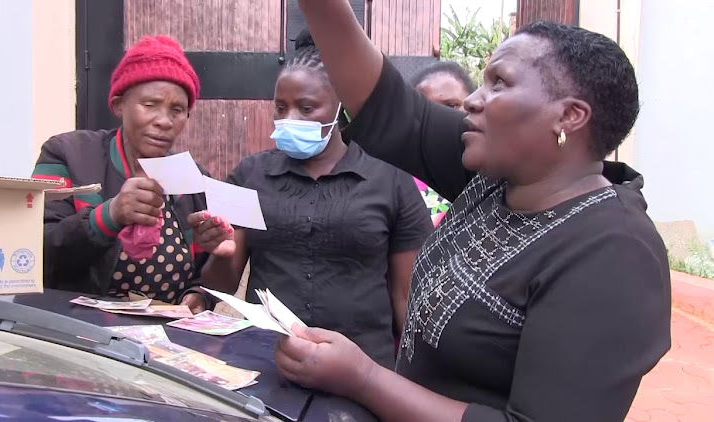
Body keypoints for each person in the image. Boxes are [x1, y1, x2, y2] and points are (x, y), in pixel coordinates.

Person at [272, 3, 672, 422]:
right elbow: (387, 107)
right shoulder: (496, 178)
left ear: (569, 116)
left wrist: (364, 379)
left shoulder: (615, 252)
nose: (473, 100)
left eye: (499, 82)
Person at [188, 29, 433, 368]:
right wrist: (220, 252)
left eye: (306, 108)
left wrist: (409, 381)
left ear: (340, 106)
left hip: (362, 377)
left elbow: (407, 298)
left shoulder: (389, 178)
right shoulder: (250, 176)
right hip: (266, 366)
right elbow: (221, 284)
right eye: (280, 107)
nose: (290, 119)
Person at [32, 35, 215, 312]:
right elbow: (35, 250)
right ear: (119, 105)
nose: (164, 121)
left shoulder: (190, 180)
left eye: (177, 110)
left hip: (163, 339)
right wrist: (109, 216)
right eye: (150, 104)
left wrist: (198, 295)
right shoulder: (66, 154)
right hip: (80, 333)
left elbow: (203, 274)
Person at [409, 61, 476, 227]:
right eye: (425, 109)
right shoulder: (392, 176)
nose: (435, 117)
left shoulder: (490, 177)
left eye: (451, 106)